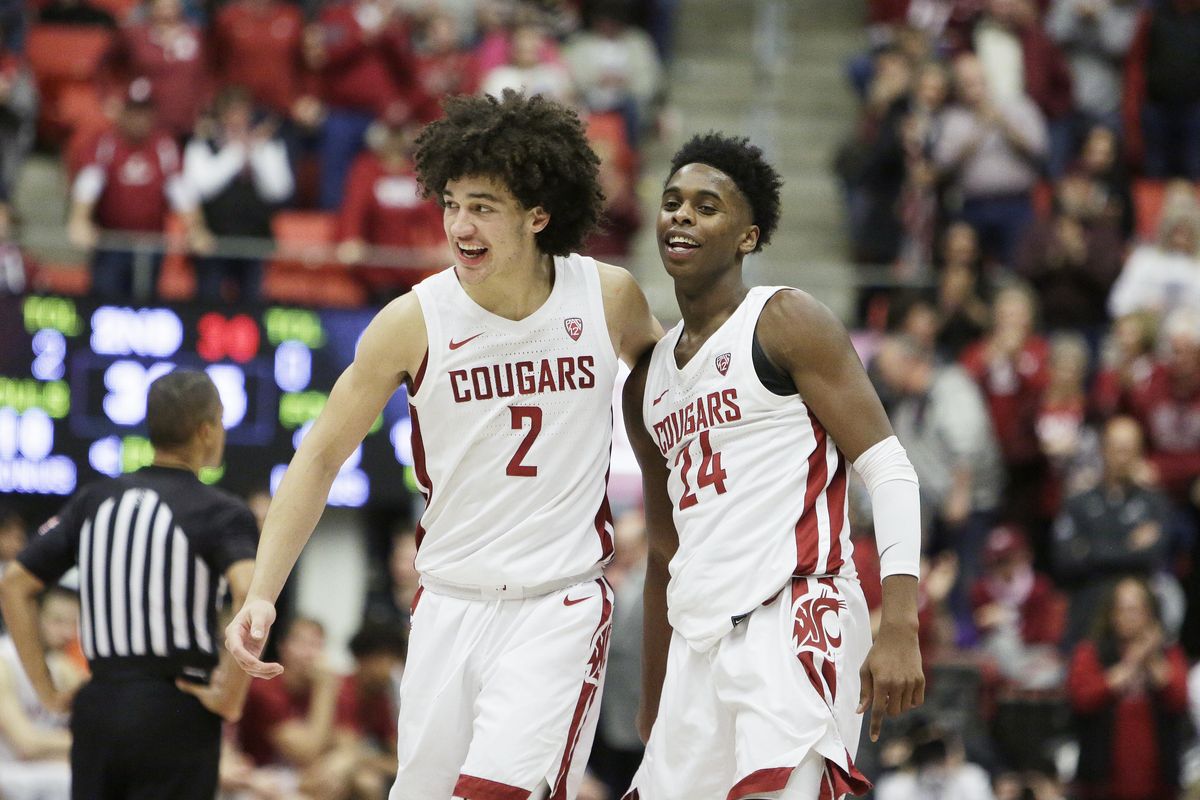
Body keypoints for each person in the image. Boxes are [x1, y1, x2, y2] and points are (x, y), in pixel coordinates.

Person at [225, 90, 662, 800]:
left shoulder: (607, 297)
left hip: (557, 605)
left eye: (483, 206)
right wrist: (264, 594)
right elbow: (320, 457)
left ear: (537, 214)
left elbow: (667, 403)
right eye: (451, 202)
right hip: (445, 604)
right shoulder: (414, 320)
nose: (460, 224)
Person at [622, 133, 924, 799]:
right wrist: (654, 697)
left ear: (747, 237)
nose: (681, 216)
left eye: (707, 207)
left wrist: (899, 624)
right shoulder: (644, 382)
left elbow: (891, 470)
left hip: (794, 610)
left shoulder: (785, 321)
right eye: (673, 202)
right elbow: (662, 555)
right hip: (697, 638)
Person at [0, 369, 258, 800]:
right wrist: (230, 694)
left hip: (98, 704)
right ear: (207, 431)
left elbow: (14, 584)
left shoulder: (92, 502)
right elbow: (250, 595)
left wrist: (47, 691)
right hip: (178, 708)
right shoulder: (222, 511)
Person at [1066, 576, 1189, 800]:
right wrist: (1134, 661)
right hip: (1101, 784)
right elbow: (1084, 698)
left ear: (1150, 613)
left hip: (1160, 785)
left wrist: (1151, 659)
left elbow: (1178, 699)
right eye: (1122, 609)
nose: (1129, 617)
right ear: (1111, 614)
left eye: (1136, 609)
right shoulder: (1091, 653)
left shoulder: (1169, 655)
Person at [0, 587, 80, 800]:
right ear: (32, 615)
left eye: (73, 624)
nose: (68, 633)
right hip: (11, 773)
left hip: (46, 770)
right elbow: (27, 744)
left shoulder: (61, 666)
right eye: (58, 621)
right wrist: (91, 743)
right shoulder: (4, 662)